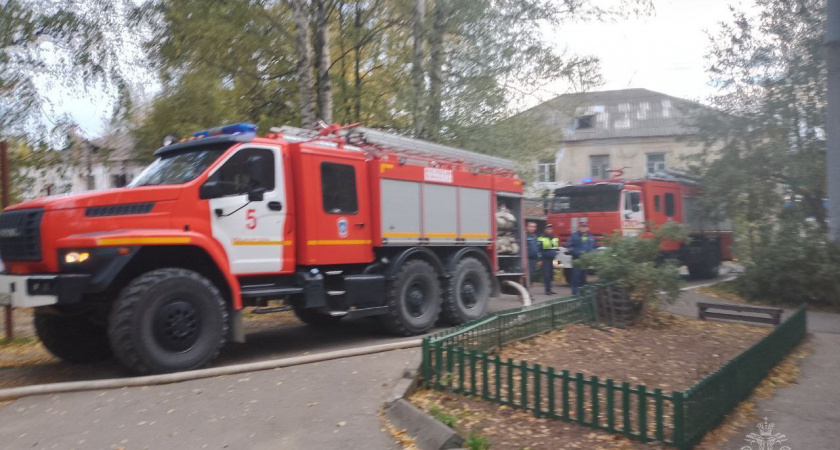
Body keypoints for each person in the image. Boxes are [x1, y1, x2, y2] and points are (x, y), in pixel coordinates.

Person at [566, 219, 598, 294]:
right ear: (579, 227)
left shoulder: (591, 237)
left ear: (587, 228)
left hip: (586, 261)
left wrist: (592, 253)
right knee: (576, 277)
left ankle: (582, 293)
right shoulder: (574, 236)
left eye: (585, 227)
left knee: (583, 277)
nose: (583, 228)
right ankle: (575, 293)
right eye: (582, 227)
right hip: (577, 260)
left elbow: (594, 246)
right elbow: (568, 247)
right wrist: (575, 252)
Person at [537, 223, 560, 295]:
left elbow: (556, 249)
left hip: (553, 259)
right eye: (548, 229)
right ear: (545, 230)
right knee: (546, 275)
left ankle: (550, 289)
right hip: (545, 259)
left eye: (550, 229)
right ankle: (547, 290)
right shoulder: (541, 238)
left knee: (551, 275)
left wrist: (557, 261)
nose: (549, 230)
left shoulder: (554, 237)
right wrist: (540, 259)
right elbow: (538, 249)